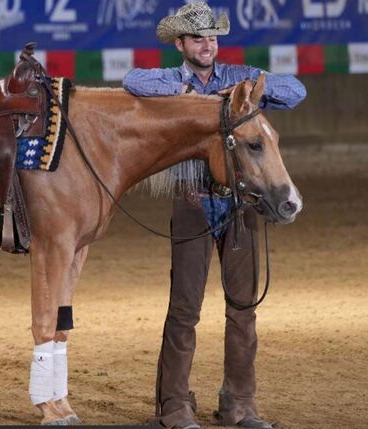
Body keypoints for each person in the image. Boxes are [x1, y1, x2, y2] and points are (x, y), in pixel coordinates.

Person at [122, 3, 306, 429]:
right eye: (199, 39)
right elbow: (132, 81)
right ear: (181, 44)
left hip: (240, 202)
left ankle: (240, 404)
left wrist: (252, 87)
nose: (208, 45)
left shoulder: (237, 79)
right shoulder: (171, 81)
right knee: (184, 308)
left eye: (213, 38)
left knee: (243, 306)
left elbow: (295, 91)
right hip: (192, 199)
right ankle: (174, 406)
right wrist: (192, 100)